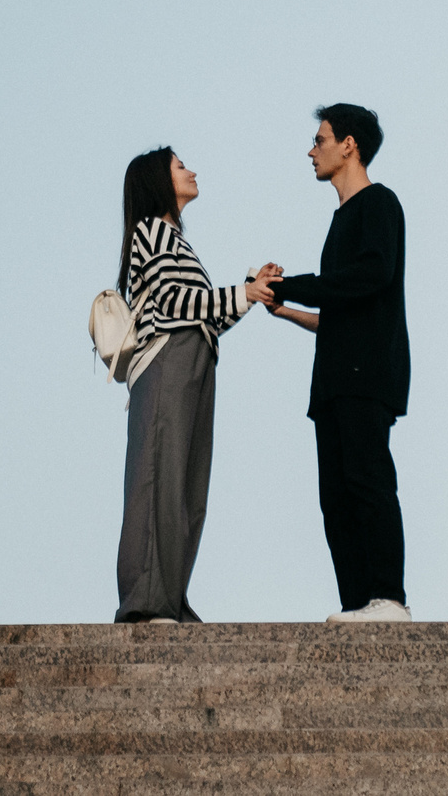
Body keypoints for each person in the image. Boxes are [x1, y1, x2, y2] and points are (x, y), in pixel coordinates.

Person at [112, 145, 279, 624]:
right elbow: (174, 302)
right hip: (166, 359)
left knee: (187, 491)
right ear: (158, 181)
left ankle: (169, 599)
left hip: (193, 360)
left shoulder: (175, 240)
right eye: (180, 166)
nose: (191, 170)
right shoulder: (151, 231)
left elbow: (201, 313)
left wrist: (249, 290)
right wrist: (240, 293)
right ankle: (147, 602)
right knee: (158, 478)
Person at [265, 104, 412, 623]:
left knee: (369, 481)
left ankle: (388, 600)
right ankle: (358, 607)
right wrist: (285, 309)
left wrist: (290, 284)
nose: (312, 150)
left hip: (366, 375)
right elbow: (339, 313)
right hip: (332, 382)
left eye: (320, 139)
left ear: (349, 144)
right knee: (337, 498)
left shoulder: (379, 204)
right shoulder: (341, 218)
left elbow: (369, 278)